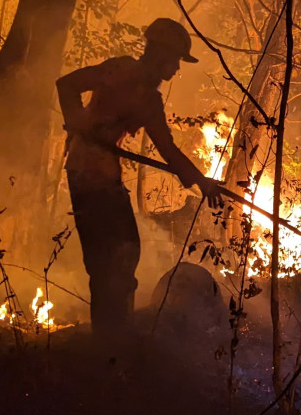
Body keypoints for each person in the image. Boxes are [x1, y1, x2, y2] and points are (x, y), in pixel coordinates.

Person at [56, 18, 223, 337]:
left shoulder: (141, 91)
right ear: (159, 54)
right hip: (92, 180)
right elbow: (66, 85)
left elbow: (167, 149)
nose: (176, 69)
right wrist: (77, 121)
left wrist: (200, 181)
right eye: (175, 60)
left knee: (121, 256)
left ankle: (113, 333)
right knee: (111, 261)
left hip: (94, 176)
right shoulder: (124, 74)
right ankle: (111, 338)